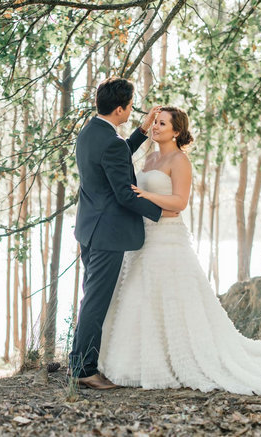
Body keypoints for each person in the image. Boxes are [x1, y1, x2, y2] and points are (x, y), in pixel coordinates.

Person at [97, 106, 261, 396]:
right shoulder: (151, 157)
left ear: (176, 131)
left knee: (171, 301)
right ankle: (129, 361)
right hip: (142, 239)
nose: (155, 127)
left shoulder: (179, 160)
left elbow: (179, 203)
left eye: (162, 123)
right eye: (154, 122)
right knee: (134, 297)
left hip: (167, 240)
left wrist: (145, 194)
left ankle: (177, 358)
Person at [69, 77, 178, 389]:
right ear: (120, 109)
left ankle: (79, 361)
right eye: (130, 106)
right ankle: (85, 370)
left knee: (90, 297)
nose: (132, 110)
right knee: (95, 301)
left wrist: (141, 132)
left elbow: (114, 158)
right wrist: (161, 213)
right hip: (108, 234)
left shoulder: (90, 132)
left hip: (89, 229)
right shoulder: (111, 142)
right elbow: (124, 194)